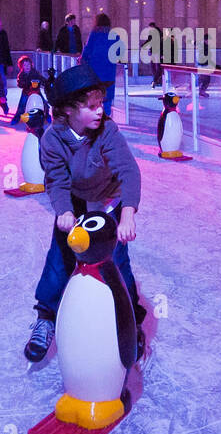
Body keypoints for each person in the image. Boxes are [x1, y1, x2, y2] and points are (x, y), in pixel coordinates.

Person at [22, 64, 146, 363]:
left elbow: (128, 171)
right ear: (67, 111)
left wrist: (127, 215)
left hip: (108, 200)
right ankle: (46, 317)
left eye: (100, 104)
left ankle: (130, 320)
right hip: (76, 200)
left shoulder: (107, 131)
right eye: (91, 107)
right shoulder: (53, 140)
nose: (99, 111)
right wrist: (63, 212)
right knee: (60, 256)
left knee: (117, 262)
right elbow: (57, 180)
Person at [80, 12, 117, 116]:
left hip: (95, 74)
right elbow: (118, 53)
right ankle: (107, 121)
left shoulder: (94, 34)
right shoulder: (114, 35)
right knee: (107, 100)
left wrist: (83, 63)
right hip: (109, 74)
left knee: (95, 100)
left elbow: (87, 51)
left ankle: (96, 121)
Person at [10, 55, 43, 125]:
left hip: (36, 91)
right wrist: (25, 83)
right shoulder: (21, 75)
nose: (27, 66)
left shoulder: (35, 72)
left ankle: (46, 115)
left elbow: (41, 79)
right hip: (26, 92)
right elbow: (19, 84)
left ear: (31, 65)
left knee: (43, 102)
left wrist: (43, 82)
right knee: (22, 104)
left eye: (28, 64)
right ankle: (17, 117)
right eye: (25, 65)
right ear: (21, 67)